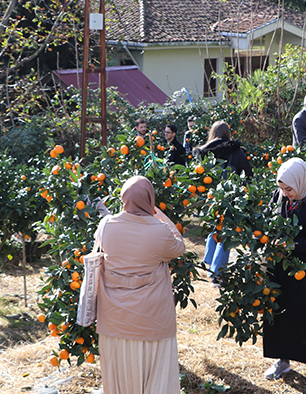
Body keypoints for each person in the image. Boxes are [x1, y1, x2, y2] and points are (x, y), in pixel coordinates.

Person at [95, 176, 186, 394]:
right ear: (150, 199)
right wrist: (161, 215)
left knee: (120, 377)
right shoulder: (159, 231)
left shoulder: (106, 226)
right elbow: (179, 247)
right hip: (152, 321)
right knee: (155, 376)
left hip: (115, 321)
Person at [263, 158, 306, 389]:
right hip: (280, 268)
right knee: (280, 312)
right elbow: (268, 221)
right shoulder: (279, 196)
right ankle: (282, 360)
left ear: (300, 182)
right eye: (282, 188)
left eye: (289, 188)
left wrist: (295, 245)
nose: (285, 193)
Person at [193, 121, 253, 284]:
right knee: (226, 232)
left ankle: (209, 262)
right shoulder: (236, 151)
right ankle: (217, 272)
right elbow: (247, 174)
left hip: (210, 199)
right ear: (228, 133)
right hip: (230, 197)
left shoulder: (203, 153)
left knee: (215, 228)